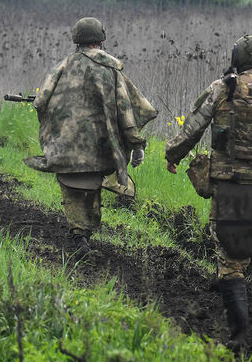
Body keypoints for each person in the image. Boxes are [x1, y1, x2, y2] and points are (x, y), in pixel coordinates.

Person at [165, 34, 252, 349]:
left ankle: (239, 334)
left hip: (227, 190)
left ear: (236, 59)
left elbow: (191, 130)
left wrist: (173, 156)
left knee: (229, 258)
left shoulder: (221, 89)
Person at [25, 17, 157, 253]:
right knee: (92, 183)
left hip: (65, 147)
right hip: (100, 147)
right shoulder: (111, 69)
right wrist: (137, 144)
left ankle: (79, 235)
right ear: (100, 40)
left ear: (77, 40)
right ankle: (83, 234)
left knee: (72, 186)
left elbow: (40, 103)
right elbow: (128, 110)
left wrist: (55, 131)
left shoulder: (61, 67)